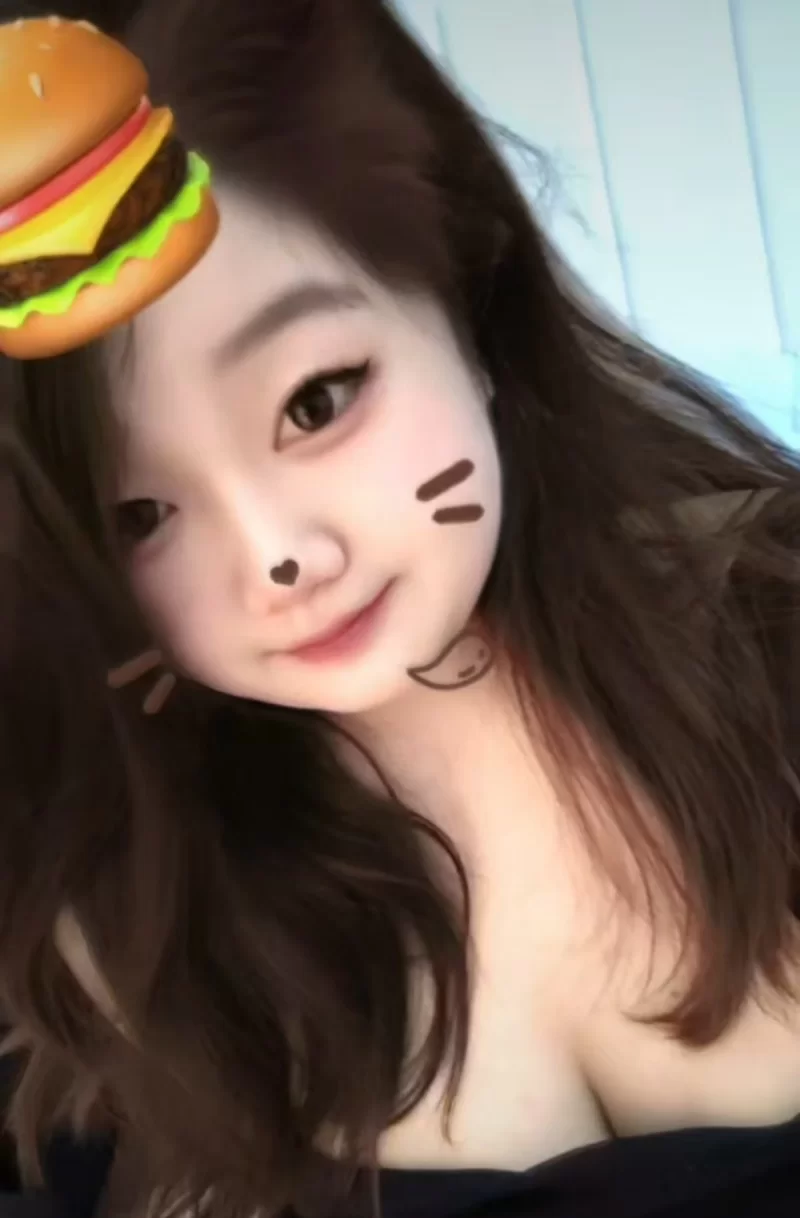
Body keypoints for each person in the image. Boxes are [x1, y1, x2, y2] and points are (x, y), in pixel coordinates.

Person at [1, 1, 799, 1215]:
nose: (279, 558)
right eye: (138, 515)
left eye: (317, 401)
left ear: (462, 291)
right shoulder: (108, 917)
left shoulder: (772, 627)